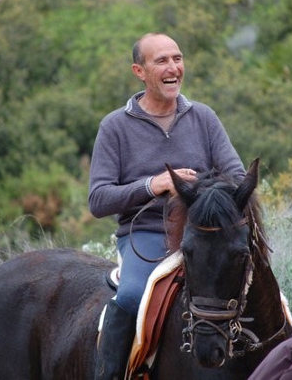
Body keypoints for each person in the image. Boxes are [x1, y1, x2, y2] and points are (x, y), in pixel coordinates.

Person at [88, 32, 245, 380]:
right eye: (161, 60)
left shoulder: (203, 117)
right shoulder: (114, 126)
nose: (173, 67)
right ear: (139, 71)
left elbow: (236, 176)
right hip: (145, 235)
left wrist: (201, 187)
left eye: (177, 58)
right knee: (131, 296)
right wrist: (153, 185)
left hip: (204, 236)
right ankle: (110, 374)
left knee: (263, 294)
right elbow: (98, 200)